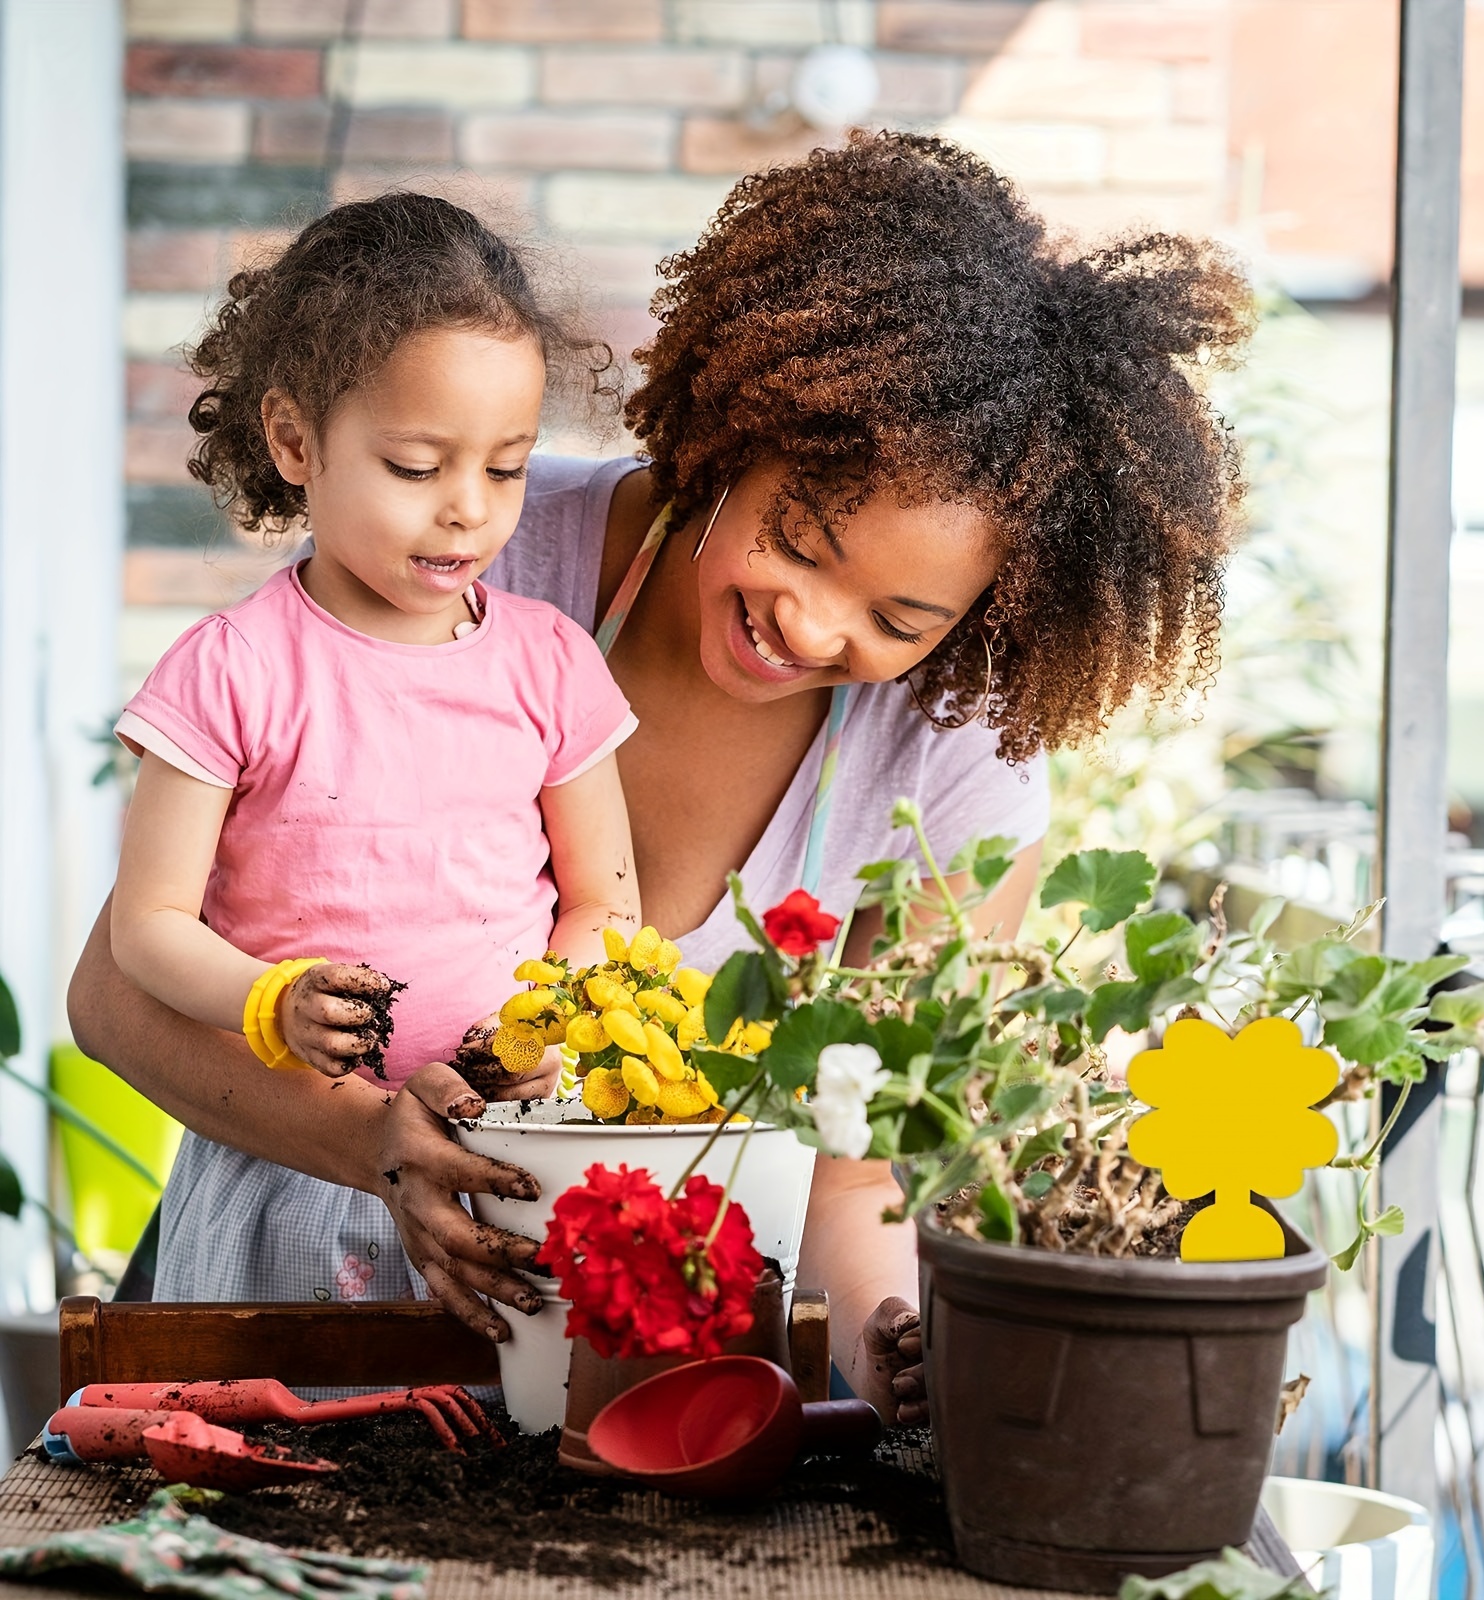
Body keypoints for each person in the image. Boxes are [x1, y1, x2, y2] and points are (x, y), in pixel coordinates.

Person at [70, 133, 1251, 1425]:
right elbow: (118, 994)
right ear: (741, 425)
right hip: (295, 1293)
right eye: (795, 539)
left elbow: (861, 1184)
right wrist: (373, 1147)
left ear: (981, 617)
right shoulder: (477, 557)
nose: (809, 626)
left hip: (643, 1368)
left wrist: (890, 1338)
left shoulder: (954, 774)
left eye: (899, 619)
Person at [102, 191, 640, 1305]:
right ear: (295, 441)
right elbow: (145, 930)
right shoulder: (229, 670)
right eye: (415, 466)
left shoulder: (550, 662)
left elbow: (605, 905)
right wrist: (267, 1001)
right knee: (290, 1464)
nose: (467, 513)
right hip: (291, 1167)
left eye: (505, 468)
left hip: (505, 1161)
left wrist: (553, 1021)